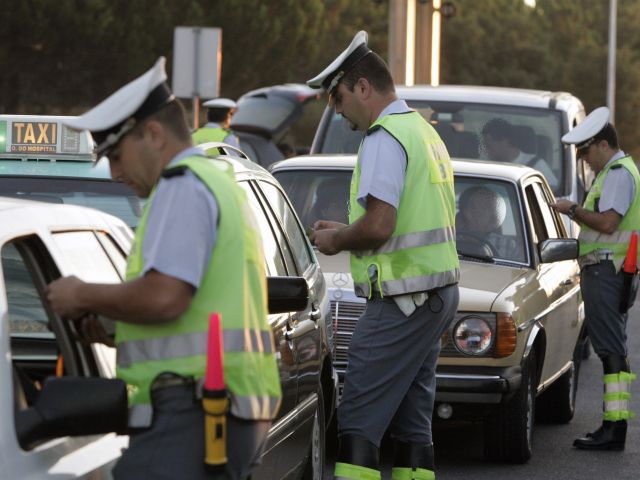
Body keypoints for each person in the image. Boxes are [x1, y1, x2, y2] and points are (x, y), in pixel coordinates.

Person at [46, 57, 281, 479]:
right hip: (221, 409)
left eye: (116, 156)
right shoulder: (216, 181)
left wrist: (81, 294)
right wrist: (115, 324)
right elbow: (197, 307)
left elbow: (166, 296)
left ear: (153, 134)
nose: (114, 173)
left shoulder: (181, 186)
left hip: (194, 413)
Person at [307, 31, 460, 479]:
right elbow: (405, 221)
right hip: (433, 293)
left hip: (401, 301)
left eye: (336, 97)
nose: (336, 110)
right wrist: (344, 229)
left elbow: (379, 226)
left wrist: (337, 241)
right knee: (414, 426)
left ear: (362, 87)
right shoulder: (421, 132)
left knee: (357, 421)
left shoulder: (382, 137)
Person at [551, 106, 638, 451]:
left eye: (585, 152)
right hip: (610, 270)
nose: (584, 160)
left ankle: (614, 428)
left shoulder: (617, 173)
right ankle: (613, 426)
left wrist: (572, 208)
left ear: (603, 144)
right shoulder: (617, 171)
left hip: (606, 270)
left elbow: (607, 223)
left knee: (611, 351)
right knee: (612, 349)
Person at [482, 118, 559, 189]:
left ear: (505, 141)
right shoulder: (486, 166)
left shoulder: (536, 164)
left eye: (489, 146)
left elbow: (553, 191)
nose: (486, 150)